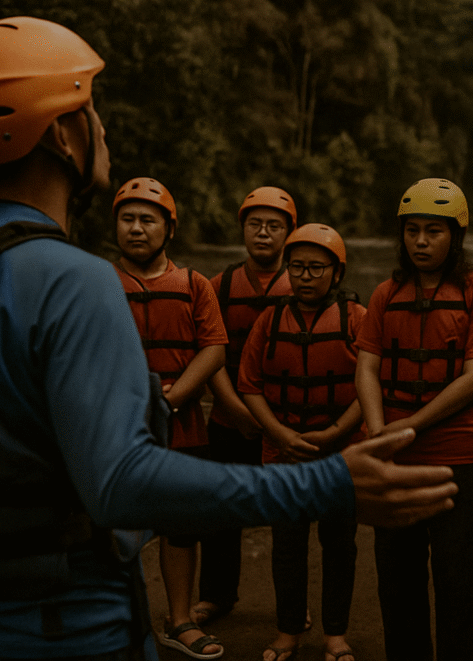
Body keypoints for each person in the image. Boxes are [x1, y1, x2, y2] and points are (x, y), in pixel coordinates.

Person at [0, 16, 458, 660]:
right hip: (73, 635)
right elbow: (122, 482)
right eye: (89, 110)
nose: (102, 128)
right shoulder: (74, 280)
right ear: (61, 135)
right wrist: (331, 483)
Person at [355, 178, 473, 661]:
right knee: (397, 579)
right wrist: (379, 432)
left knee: (459, 578)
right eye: (413, 231)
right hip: (394, 456)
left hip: (459, 456)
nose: (420, 242)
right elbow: (368, 365)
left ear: (455, 237)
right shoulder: (385, 294)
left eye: (433, 232)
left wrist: (409, 427)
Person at [112, 177, 229, 658]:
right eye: (127, 219)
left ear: (169, 229)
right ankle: (117, 620)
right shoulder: (97, 283)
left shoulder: (195, 285)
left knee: (181, 526)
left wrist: (171, 398)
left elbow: (214, 349)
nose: (136, 229)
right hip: (115, 425)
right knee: (113, 526)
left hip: (180, 422)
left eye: (147, 219)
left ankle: (178, 619)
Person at [239, 223, 365, 661]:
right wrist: (280, 434)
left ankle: (335, 635)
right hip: (283, 451)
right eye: (297, 268)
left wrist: (335, 433)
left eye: (316, 268)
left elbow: (370, 386)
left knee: (339, 545)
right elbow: (250, 384)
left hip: (340, 452)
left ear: (337, 272)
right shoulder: (268, 321)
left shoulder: (357, 319)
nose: (305, 276)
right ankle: (288, 631)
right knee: (287, 545)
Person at [198, 185, 296, 626]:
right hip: (229, 416)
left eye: (273, 226)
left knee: (288, 519)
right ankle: (217, 595)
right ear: (243, 230)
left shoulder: (306, 282)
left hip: (285, 422)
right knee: (220, 510)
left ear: (289, 234)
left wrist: (273, 423)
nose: (263, 233)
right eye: (255, 224)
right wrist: (235, 410)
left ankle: (293, 605)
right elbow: (209, 353)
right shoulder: (218, 286)